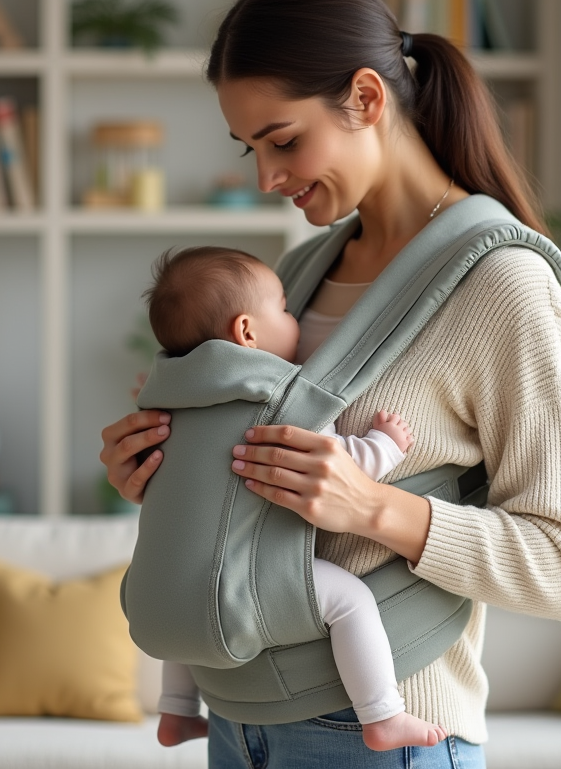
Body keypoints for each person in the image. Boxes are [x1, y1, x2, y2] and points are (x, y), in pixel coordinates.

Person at [99, 0, 561, 766]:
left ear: (366, 98)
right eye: (251, 149)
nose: (266, 178)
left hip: (382, 734)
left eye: (283, 140)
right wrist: (162, 471)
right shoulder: (297, 275)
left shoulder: (503, 284)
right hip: (236, 720)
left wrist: (372, 506)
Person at [141, 245, 441, 752]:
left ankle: (175, 713)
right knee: (349, 601)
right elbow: (334, 469)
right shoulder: (279, 398)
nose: (294, 319)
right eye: (283, 308)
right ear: (247, 332)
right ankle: (382, 715)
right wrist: (384, 445)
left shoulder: (170, 403)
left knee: (189, 596)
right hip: (244, 579)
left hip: (163, 588)